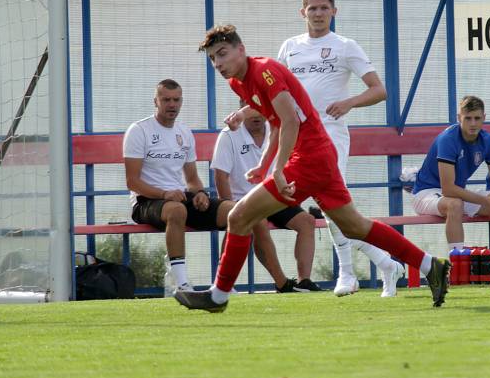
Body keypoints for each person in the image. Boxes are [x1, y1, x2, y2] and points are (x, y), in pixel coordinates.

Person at [175, 25, 450, 312]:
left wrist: (278, 170)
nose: (218, 63)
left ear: (240, 50)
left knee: (239, 217)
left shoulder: (264, 71)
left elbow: (291, 120)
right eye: (212, 59)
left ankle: (218, 296)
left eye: (222, 54)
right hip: (318, 157)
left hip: (308, 159)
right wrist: (264, 165)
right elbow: (277, 122)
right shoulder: (238, 82)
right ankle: (432, 266)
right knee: (354, 226)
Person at [277, 0, 404, 298]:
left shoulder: (345, 46)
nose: (318, 14)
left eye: (324, 8)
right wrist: (244, 113)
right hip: (298, 137)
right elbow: (276, 91)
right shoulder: (290, 47)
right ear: (302, 12)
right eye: (313, 8)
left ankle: (348, 273)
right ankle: (385, 264)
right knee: (330, 207)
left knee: (333, 206)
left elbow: (379, 90)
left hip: (331, 135)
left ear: (334, 11)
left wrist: (349, 103)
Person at [124, 79, 284, 292]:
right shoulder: (139, 130)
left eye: (176, 100)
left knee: (239, 211)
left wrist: (199, 192)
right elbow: (132, 181)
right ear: (156, 101)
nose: (172, 104)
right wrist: (164, 193)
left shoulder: (184, 132)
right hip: (147, 201)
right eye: (166, 100)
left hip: (178, 197)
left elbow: (191, 178)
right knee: (177, 210)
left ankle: (224, 282)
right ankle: (181, 283)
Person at [212, 101, 321, 292]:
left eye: (259, 108)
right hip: (242, 201)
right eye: (249, 108)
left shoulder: (278, 129)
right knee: (256, 221)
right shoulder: (228, 135)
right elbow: (221, 176)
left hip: (273, 196)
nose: (255, 114)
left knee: (307, 221)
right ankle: (279, 283)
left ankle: (304, 281)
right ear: (241, 109)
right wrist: (230, 206)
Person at [411, 96, 490, 281]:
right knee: (454, 204)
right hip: (426, 193)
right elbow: (448, 189)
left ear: (484, 118)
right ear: (458, 118)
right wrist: (485, 200)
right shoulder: (448, 139)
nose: (473, 123)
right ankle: (455, 272)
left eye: (477, 118)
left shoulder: (487, 140)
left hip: (457, 196)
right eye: (468, 118)